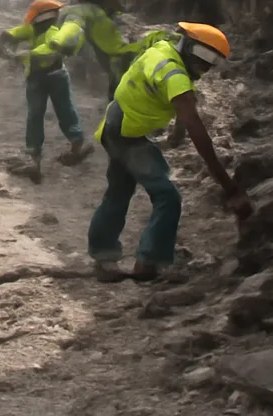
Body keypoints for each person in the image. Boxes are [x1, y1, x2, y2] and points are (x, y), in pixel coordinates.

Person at [87, 22, 253, 282]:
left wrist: (176, 135)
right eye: (205, 57)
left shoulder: (163, 47)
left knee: (118, 191)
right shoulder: (174, 73)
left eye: (213, 61)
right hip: (127, 134)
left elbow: (180, 103)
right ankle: (148, 263)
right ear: (187, 46)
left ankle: (103, 256)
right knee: (168, 197)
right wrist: (229, 188)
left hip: (117, 122)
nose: (206, 66)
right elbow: (195, 126)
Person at [0, 0, 95, 183]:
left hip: (45, 78)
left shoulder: (52, 33)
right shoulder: (36, 29)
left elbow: (49, 50)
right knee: (61, 111)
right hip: (53, 76)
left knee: (41, 114)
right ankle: (75, 145)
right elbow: (17, 32)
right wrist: (6, 37)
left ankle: (37, 156)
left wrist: (25, 55)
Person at [46, 0, 169, 101]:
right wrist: (150, 43)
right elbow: (117, 49)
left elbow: (72, 27)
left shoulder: (67, 11)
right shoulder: (98, 16)